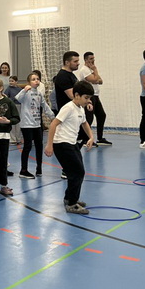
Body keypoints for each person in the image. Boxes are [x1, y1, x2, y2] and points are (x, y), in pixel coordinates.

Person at [45, 80, 95, 214]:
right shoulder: (68, 108)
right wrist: (49, 145)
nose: (88, 101)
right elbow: (53, 124)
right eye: (86, 98)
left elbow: (84, 123)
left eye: (89, 98)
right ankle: (72, 203)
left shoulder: (80, 108)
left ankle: (70, 198)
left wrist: (91, 137)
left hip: (72, 144)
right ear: (77, 95)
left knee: (78, 172)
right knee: (77, 173)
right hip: (62, 144)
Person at [16, 71, 55, 179]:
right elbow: (18, 98)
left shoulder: (39, 94)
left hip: (37, 124)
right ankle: (23, 170)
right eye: (33, 79)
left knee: (39, 146)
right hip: (27, 125)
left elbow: (45, 106)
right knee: (27, 146)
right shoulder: (26, 93)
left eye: (37, 79)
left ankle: (39, 168)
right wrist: (24, 90)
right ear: (29, 82)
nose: (36, 81)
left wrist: (53, 117)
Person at [77, 52, 111, 146]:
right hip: (89, 96)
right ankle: (85, 139)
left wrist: (95, 75)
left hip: (95, 96)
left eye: (93, 58)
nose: (93, 60)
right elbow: (95, 80)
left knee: (101, 115)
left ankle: (100, 138)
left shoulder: (90, 70)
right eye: (91, 59)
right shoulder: (84, 70)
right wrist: (95, 70)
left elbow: (100, 81)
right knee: (89, 118)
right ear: (86, 60)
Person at [5, 75, 23, 145]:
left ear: (16, 82)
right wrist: (12, 99)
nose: (10, 82)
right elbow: (6, 96)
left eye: (12, 81)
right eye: (10, 81)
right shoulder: (8, 89)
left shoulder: (20, 89)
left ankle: (18, 138)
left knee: (18, 122)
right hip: (12, 106)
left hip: (19, 106)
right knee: (12, 122)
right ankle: (12, 139)